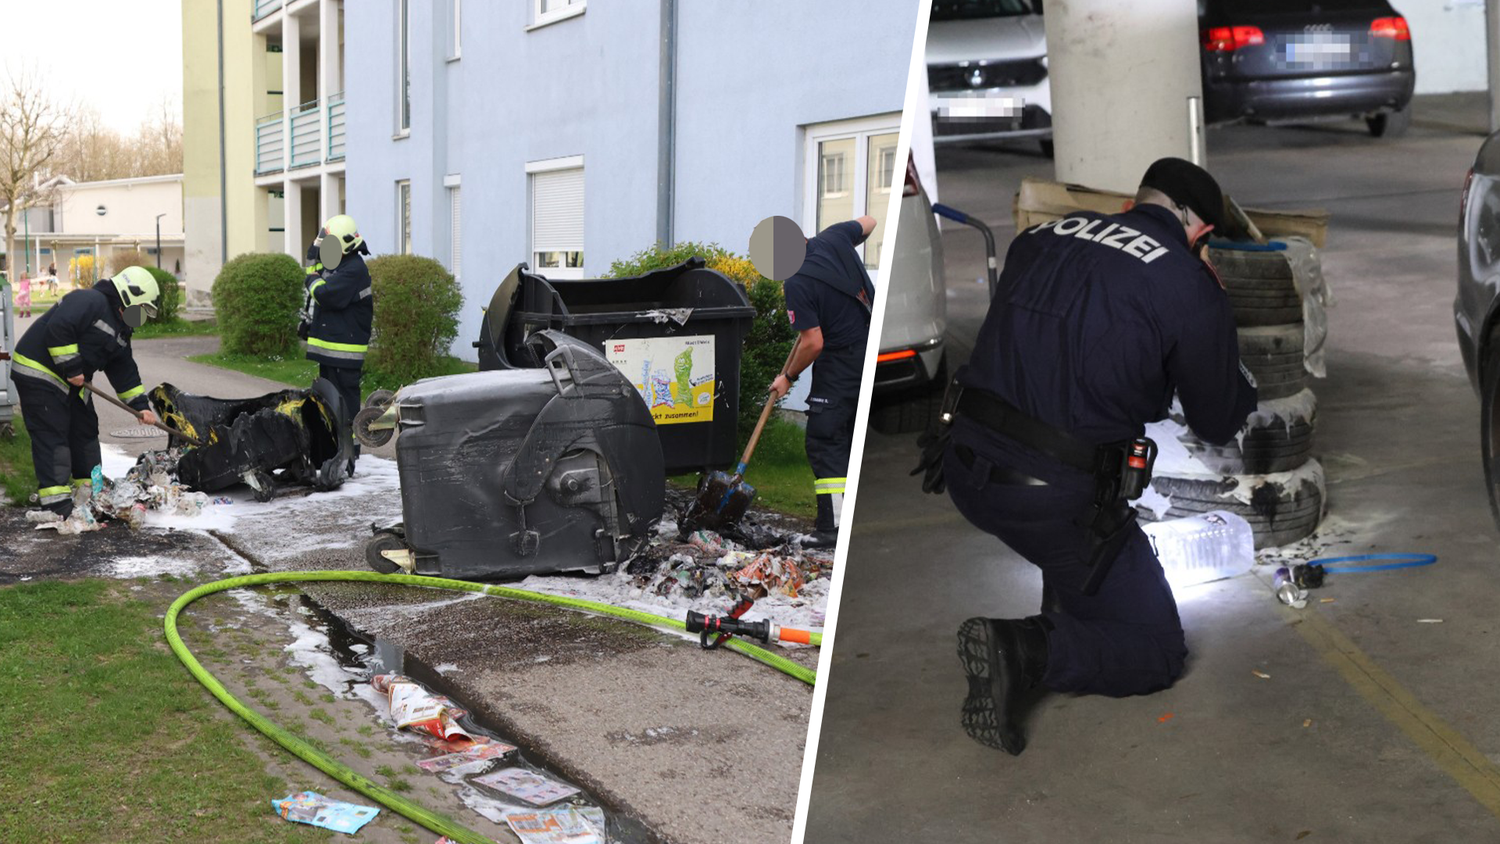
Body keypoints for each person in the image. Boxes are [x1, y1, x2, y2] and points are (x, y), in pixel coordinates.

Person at [918, 157, 1258, 755]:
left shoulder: (1039, 237)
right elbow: (1217, 418)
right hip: (1052, 498)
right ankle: (1026, 651)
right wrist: (1218, 329)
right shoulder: (1186, 282)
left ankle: (1066, 609)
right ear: (1197, 228)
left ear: (1136, 202)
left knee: (1078, 542)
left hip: (964, 465)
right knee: (1157, 650)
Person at [10, 266, 161, 518]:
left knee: (85, 430)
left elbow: (124, 369)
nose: (141, 316)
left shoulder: (121, 328)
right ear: (128, 296)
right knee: (53, 434)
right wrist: (71, 367)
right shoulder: (90, 301)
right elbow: (59, 328)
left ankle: (90, 493)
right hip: (39, 373)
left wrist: (140, 405)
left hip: (72, 382)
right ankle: (57, 505)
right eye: (141, 308)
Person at [769, 215, 878, 549]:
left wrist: (788, 377)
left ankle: (832, 530)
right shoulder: (834, 238)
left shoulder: (797, 282)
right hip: (870, 345)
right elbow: (869, 222)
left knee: (826, 440)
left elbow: (813, 343)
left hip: (841, 363)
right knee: (854, 435)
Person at [301, 214, 372, 473]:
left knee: (344, 408)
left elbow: (325, 295)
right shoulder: (339, 265)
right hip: (331, 352)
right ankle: (332, 452)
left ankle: (348, 457)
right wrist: (318, 242)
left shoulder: (353, 269)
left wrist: (312, 280)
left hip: (345, 354)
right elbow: (314, 264)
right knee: (328, 405)